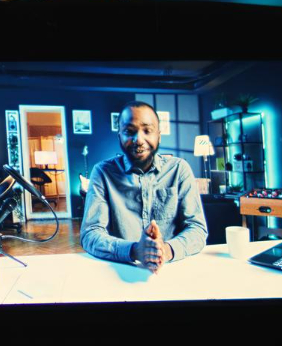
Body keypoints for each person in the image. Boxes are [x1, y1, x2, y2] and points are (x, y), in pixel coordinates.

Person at [80, 101, 207, 273]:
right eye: (129, 132)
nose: (139, 139)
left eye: (147, 130)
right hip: (120, 270)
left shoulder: (179, 169)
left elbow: (197, 229)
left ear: (159, 136)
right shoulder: (102, 173)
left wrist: (165, 251)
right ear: (119, 137)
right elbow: (90, 234)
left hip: (173, 270)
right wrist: (134, 250)